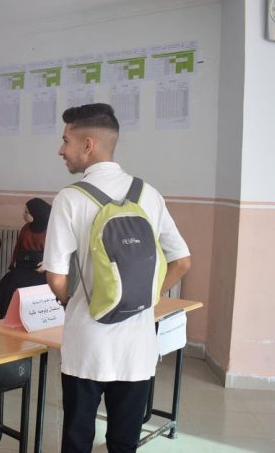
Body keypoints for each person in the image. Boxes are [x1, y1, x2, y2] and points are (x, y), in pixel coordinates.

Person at [43, 103, 192, 453]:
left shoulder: (70, 198)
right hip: (138, 345)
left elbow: (55, 277)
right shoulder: (149, 194)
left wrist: (70, 302)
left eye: (66, 140)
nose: (61, 150)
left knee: (77, 440)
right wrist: (147, 297)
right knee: (124, 443)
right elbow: (183, 261)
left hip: (88, 343)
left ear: (88, 145)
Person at [0, 197, 51, 324]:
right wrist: (15, 262)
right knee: (12, 277)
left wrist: (48, 263)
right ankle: (0, 315)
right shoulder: (26, 228)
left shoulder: (51, 231)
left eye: (27, 212)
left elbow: (59, 253)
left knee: (13, 279)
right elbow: (18, 249)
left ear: (36, 214)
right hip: (24, 269)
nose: (23, 214)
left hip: (43, 273)